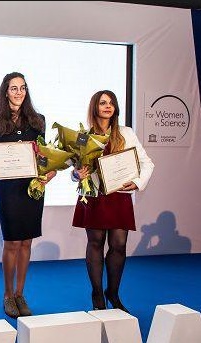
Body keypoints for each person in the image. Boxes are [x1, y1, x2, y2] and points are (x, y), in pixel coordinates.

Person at [0, 72, 56, 318]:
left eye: (22, 88)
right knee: (12, 241)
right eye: (13, 88)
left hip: (32, 187)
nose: (18, 92)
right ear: (5, 92)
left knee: (26, 242)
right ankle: (7, 294)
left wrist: (49, 171)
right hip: (7, 188)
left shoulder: (38, 120)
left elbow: (44, 155)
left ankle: (20, 294)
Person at [72, 90, 154, 312]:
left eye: (111, 103)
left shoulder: (126, 133)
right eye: (103, 103)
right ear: (95, 107)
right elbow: (74, 171)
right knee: (95, 243)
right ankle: (97, 294)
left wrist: (137, 182)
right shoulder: (83, 136)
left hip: (118, 195)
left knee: (119, 245)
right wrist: (77, 175)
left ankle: (113, 293)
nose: (108, 106)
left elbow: (147, 163)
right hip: (94, 196)